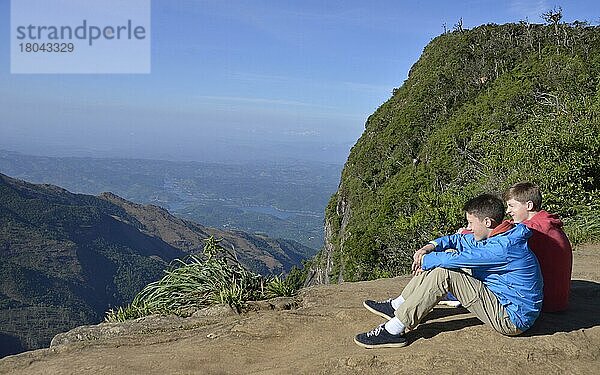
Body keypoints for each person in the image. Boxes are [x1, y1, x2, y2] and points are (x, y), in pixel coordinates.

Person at [354, 194, 543, 348]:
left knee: (444, 272)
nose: (467, 229)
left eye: (471, 223)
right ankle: (398, 306)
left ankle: (393, 330)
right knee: (444, 257)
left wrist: (425, 260)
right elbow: (458, 240)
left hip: (512, 318)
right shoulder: (499, 234)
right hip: (502, 301)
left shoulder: (503, 247)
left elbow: (455, 259)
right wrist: (429, 247)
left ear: (486, 222)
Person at [504, 182, 572, 312]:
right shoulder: (547, 223)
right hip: (557, 300)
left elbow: (499, 246)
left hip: (544, 304)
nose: (508, 211)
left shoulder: (533, 230)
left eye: (511, 206)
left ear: (529, 205)